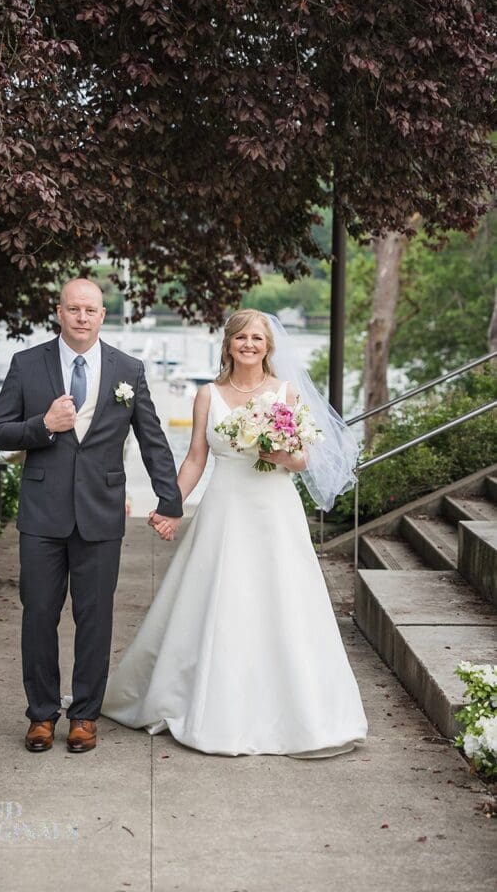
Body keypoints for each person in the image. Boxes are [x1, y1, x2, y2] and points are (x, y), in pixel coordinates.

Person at [101, 308, 368, 757]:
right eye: (240, 337)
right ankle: (210, 706)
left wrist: (277, 450)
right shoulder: (208, 395)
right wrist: (171, 505)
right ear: (228, 345)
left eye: (257, 339)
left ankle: (301, 716)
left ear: (268, 347)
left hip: (274, 511)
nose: (249, 344)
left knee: (282, 602)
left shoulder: (284, 391)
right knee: (220, 602)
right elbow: (195, 459)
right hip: (225, 511)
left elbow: (302, 459)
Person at [0, 278, 182, 754]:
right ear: (59, 312)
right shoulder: (26, 364)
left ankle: (84, 717)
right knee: (38, 616)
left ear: (102, 315)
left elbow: (153, 440)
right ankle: (40, 715)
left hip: (100, 513)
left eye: (90, 310)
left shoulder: (128, 369)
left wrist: (170, 500)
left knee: (95, 619)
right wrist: (42, 426)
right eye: (73, 309)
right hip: (41, 515)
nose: (82, 317)